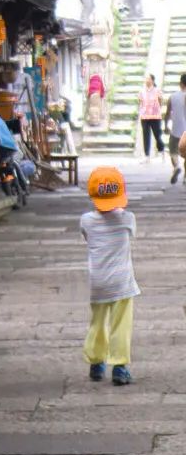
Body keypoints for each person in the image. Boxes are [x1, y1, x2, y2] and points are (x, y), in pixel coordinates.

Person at [81, 165, 139, 387]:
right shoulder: (127, 219)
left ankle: (96, 363)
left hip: (99, 282)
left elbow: (88, 237)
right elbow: (131, 232)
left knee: (97, 322)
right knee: (121, 324)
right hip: (123, 283)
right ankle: (120, 367)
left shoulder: (86, 220)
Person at [138, 73, 165, 159]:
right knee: (146, 135)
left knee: (157, 135)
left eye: (148, 79)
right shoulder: (142, 91)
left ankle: (161, 151)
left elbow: (160, 101)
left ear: (152, 81)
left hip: (155, 116)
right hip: (145, 117)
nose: (147, 80)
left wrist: (157, 109)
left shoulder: (157, 90)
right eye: (146, 79)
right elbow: (140, 102)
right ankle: (147, 155)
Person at [166, 74, 186, 185]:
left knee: (173, 152)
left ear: (180, 83)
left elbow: (168, 113)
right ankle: (185, 178)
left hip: (175, 131)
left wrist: (165, 126)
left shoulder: (173, 97)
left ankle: (177, 166)